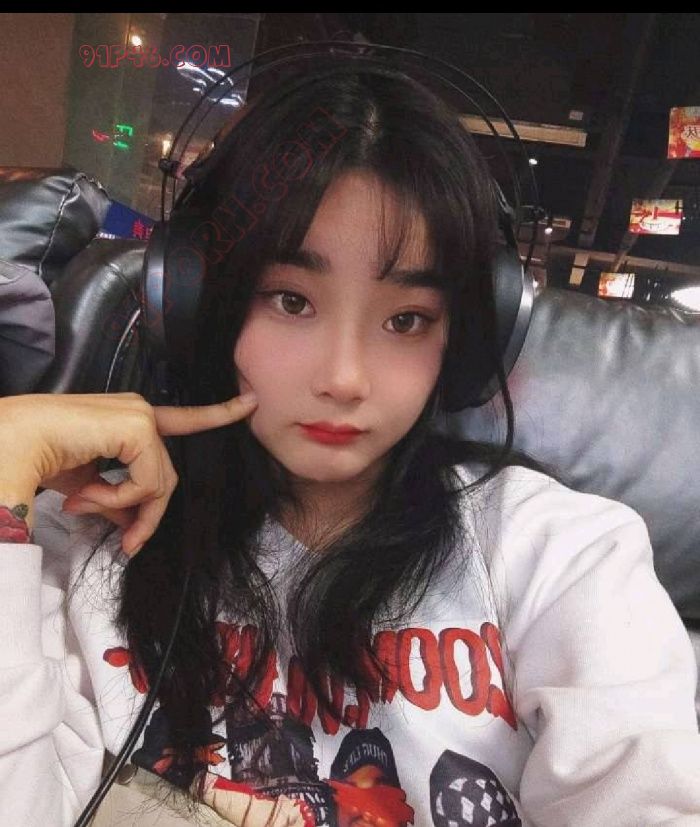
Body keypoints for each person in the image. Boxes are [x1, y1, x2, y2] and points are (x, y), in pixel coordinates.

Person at [1, 61, 700, 827]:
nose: (344, 378)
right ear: (198, 299)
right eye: (291, 299)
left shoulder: (562, 556)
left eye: (406, 319)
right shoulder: (77, 542)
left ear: (465, 340)